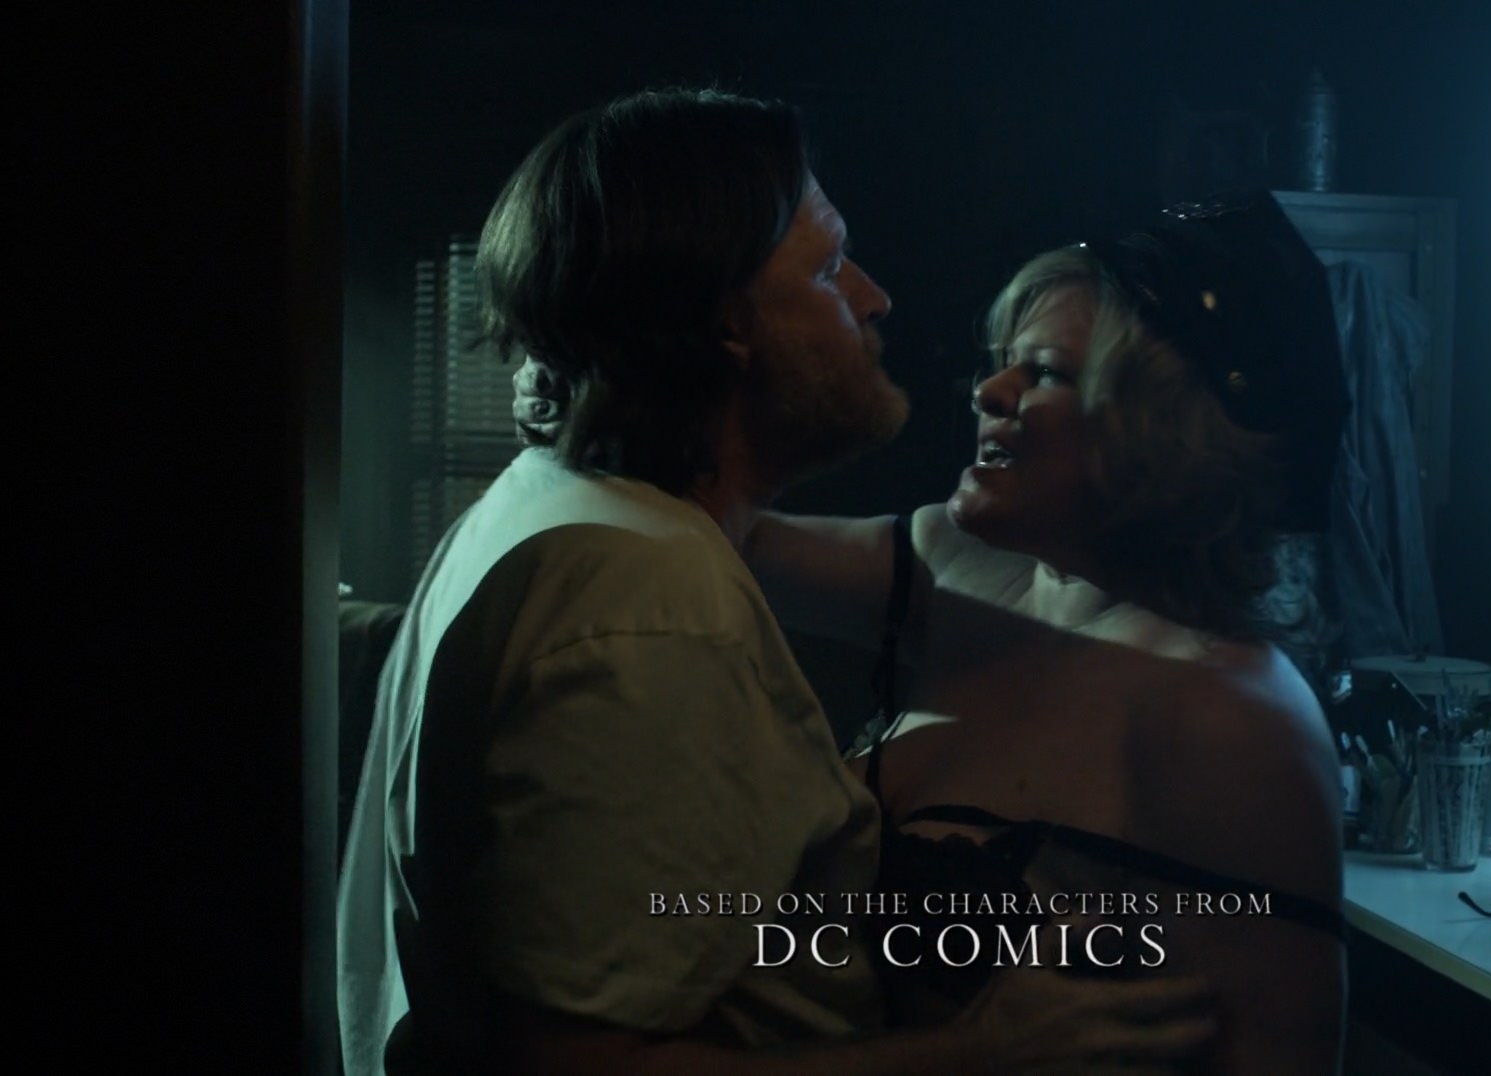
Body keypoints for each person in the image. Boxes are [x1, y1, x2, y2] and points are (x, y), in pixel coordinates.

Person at [336, 88, 1216, 1076]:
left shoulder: (549, 500)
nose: (874, 297)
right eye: (830, 268)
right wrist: (979, 1056)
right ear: (728, 322)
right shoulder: (651, 601)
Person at [737, 190, 1353, 1074]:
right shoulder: (956, 568)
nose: (989, 392)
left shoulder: (1229, 718)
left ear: (1163, 432)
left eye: (1046, 374)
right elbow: (715, 533)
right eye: (1001, 364)